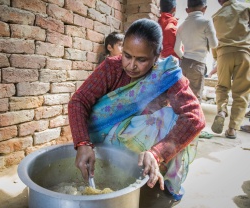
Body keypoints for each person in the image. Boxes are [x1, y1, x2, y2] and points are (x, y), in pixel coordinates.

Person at [68, 18, 205, 207]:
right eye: (127, 55)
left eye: (141, 59)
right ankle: (124, 167)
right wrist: (83, 143)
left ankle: (156, 173)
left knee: (171, 117)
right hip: (105, 136)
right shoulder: (112, 67)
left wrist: (157, 152)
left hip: (141, 140)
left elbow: (195, 118)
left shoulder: (166, 74)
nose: (131, 65)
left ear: (157, 56)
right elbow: (79, 101)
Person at [210, 0, 250, 139]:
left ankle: (221, 111)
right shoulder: (246, 8)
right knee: (241, 92)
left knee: (222, 86)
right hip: (244, 52)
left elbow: (214, 40)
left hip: (223, 54)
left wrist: (216, 57)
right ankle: (232, 129)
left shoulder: (217, 15)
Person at [174, 0, 218, 103]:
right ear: (205, 8)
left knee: (183, 93)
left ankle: (182, 116)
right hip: (198, 64)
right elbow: (214, 44)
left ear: (187, 10)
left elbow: (176, 49)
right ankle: (194, 118)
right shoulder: (206, 23)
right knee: (195, 96)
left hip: (184, 64)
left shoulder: (181, 26)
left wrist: (184, 58)